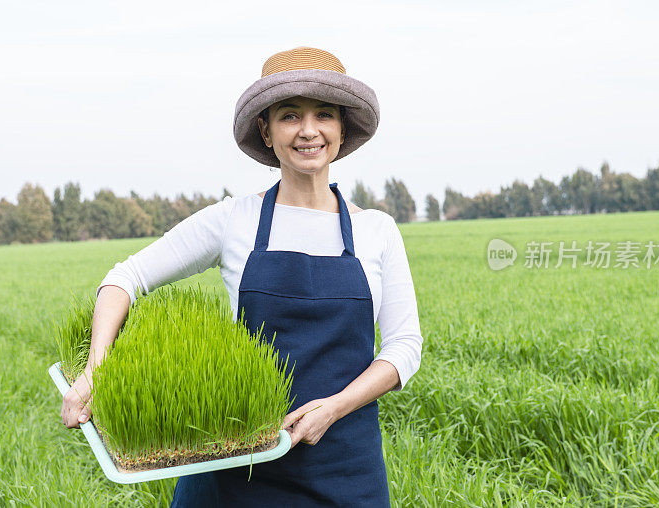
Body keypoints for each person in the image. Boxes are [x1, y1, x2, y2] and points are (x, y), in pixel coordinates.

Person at [60, 46, 423, 507]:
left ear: (341, 128)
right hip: (234, 470)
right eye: (290, 116)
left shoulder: (377, 231)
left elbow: (404, 347)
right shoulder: (235, 220)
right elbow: (123, 278)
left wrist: (335, 408)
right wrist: (95, 370)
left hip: (344, 467)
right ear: (266, 132)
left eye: (324, 115)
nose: (308, 131)